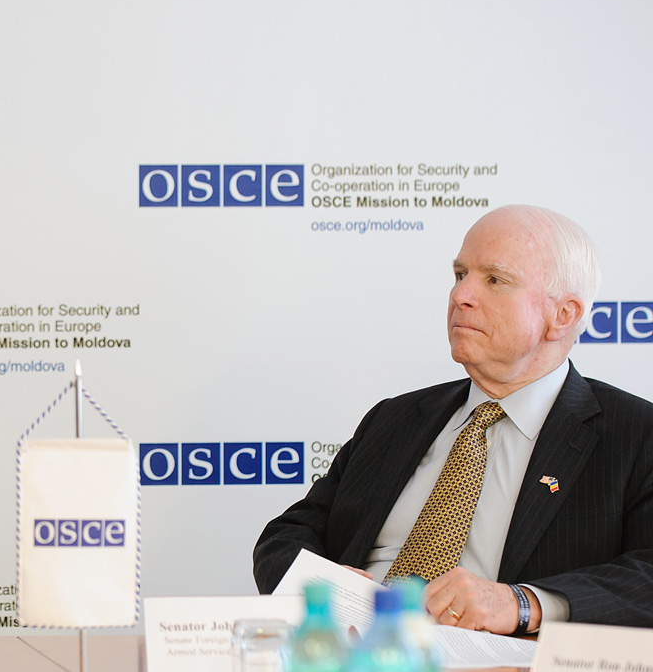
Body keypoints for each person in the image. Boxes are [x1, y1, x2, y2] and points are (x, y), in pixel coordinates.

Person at [254, 205, 653, 634]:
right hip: (358, 647)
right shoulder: (395, 419)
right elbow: (287, 535)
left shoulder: (634, 435)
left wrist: (524, 604)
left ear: (564, 316)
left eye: (495, 280)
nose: (461, 295)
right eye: (460, 274)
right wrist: (324, 586)